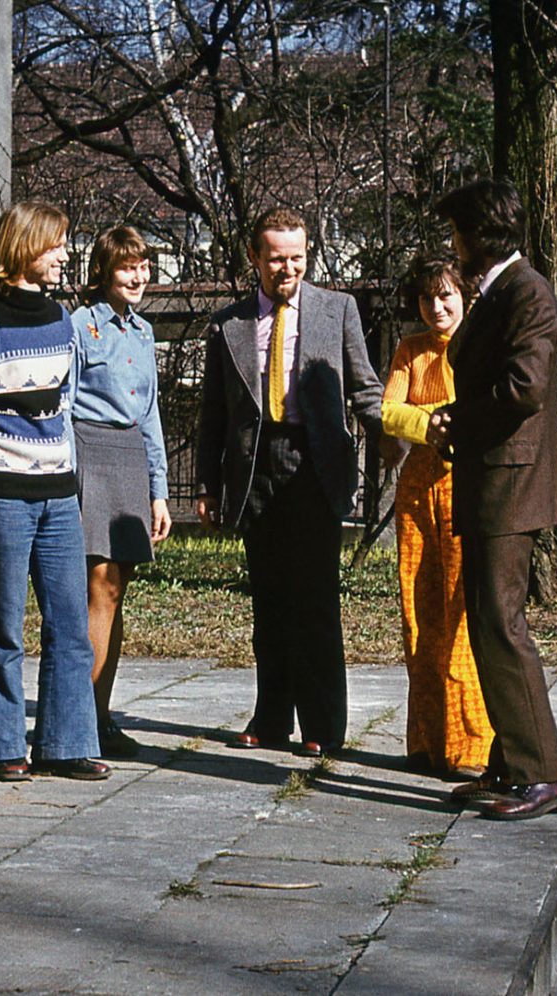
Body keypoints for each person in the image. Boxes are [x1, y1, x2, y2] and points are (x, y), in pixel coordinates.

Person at [195, 207, 383, 758]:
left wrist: (406, 428)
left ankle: (324, 725)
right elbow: (214, 415)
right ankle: (271, 717)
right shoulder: (227, 325)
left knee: (316, 601)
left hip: (315, 467)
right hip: (255, 467)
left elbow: (364, 390)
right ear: (255, 257)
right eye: (276, 259)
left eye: (297, 258)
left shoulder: (337, 310)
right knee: (270, 603)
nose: (288, 269)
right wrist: (207, 486)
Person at [0, 201, 108, 781]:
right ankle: (5, 746)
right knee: (5, 624)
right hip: (1, 496)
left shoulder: (60, 320)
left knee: (69, 623)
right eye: (55, 245)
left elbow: (64, 404)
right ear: (26, 247)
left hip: (59, 494)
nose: (63, 255)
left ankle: (67, 743)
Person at [430, 179, 557, 821]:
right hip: (492, 479)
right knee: (488, 620)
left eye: (457, 234)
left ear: (480, 236)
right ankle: (513, 763)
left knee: (503, 624)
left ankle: (541, 772)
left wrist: (459, 422)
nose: (453, 247)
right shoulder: (498, 292)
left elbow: (523, 388)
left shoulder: (526, 291)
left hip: (511, 482)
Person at [381, 256, 494, 779]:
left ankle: (470, 744)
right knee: (419, 610)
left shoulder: (478, 343)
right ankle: (427, 740)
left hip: (464, 489)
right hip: (415, 496)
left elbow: (483, 404)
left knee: (461, 616)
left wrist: (439, 416)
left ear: (464, 297)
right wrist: (435, 421)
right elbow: (388, 411)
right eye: (428, 298)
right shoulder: (410, 350)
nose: (438, 307)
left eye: (446, 295)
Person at [68, 226, 172, 759]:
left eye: (145, 265)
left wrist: (160, 489)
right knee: (96, 590)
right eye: (128, 267)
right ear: (105, 271)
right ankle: (78, 718)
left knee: (117, 592)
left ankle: (101, 715)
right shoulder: (80, 327)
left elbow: (150, 412)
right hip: (91, 454)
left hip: (131, 458)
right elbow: (64, 405)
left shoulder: (144, 332)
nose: (139, 276)